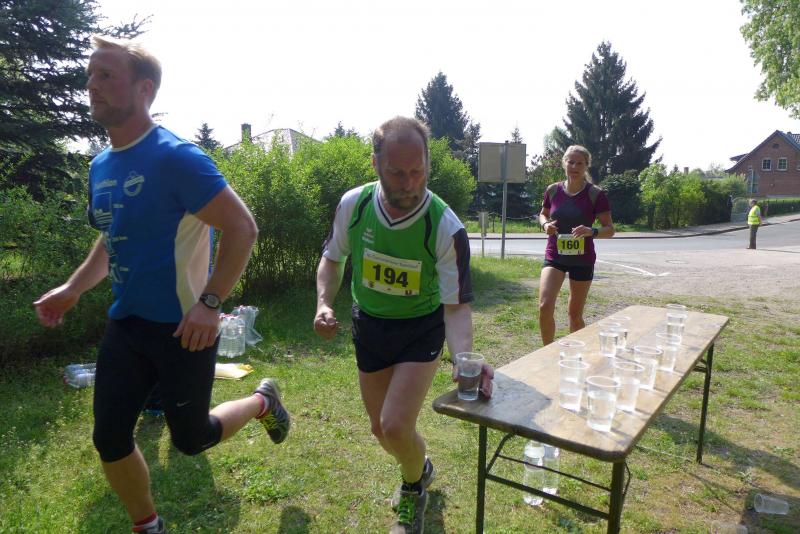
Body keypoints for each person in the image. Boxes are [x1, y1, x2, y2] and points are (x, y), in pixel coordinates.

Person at [32, 36, 290, 534]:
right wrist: (73, 288)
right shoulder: (100, 165)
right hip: (127, 325)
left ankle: (263, 401)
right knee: (109, 438)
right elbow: (111, 239)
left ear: (144, 89)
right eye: (90, 75)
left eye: (106, 75)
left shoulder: (176, 158)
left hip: (183, 328)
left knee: (191, 439)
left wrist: (210, 303)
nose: (92, 85)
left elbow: (242, 228)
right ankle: (148, 526)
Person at [313, 116, 494, 534]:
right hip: (369, 326)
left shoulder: (444, 226)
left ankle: (413, 490)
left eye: (418, 171)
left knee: (396, 425)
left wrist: (463, 357)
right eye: (397, 172)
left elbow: (456, 307)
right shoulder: (354, 205)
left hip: (419, 330)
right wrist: (323, 302)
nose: (410, 183)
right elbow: (332, 258)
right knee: (381, 430)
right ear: (375, 163)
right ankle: (421, 467)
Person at [537, 145, 615, 346]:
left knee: (574, 314)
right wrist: (545, 225)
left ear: (586, 166)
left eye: (580, 163)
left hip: (582, 259)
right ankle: (548, 353)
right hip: (555, 255)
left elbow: (610, 229)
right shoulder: (553, 190)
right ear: (564, 163)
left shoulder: (595, 194)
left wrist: (591, 231)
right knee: (545, 306)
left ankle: (576, 355)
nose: (574, 167)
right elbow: (543, 213)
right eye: (571, 162)